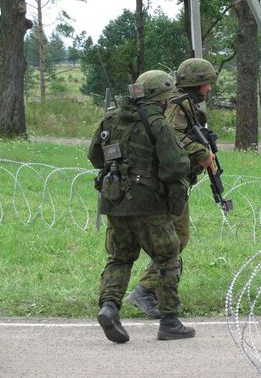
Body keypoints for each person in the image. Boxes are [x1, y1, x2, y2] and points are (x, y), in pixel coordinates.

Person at [88, 70, 195, 342]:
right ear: (160, 97)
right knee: (168, 257)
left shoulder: (111, 118)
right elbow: (176, 165)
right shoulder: (157, 123)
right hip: (149, 204)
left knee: (120, 258)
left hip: (115, 200)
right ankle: (170, 322)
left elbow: (94, 156)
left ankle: (109, 307)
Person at [126, 58, 217, 319]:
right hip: (167, 182)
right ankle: (146, 290)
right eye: (206, 84)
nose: (209, 89)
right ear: (194, 83)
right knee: (177, 237)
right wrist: (201, 152)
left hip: (174, 179)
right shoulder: (177, 105)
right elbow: (171, 136)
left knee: (175, 238)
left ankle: (150, 289)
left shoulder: (184, 104)